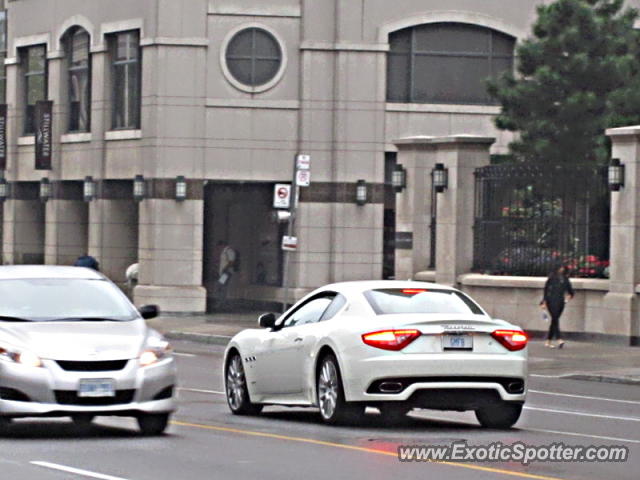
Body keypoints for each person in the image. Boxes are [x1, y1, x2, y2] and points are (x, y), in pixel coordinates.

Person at [540, 265, 574, 348]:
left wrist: (567, 298)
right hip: (550, 300)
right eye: (560, 267)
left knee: (554, 320)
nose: (561, 269)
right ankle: (559, 339)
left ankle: (548, 341)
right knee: (555, 318)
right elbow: (546, 290)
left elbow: (571, 292)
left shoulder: (566, 279)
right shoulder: (551, 278)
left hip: (560, 301)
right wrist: (543, 301)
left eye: (563, 267)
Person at [214, 240, 237, 310]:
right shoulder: (224, 252)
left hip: (226, 272)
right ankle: (222, 302)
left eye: (219, 246)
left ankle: (221, 302)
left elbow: (231, 262)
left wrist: (225, 269)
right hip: (224, 272)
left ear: (222, 245)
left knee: (219, 286)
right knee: (222, 287)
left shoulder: (229, 251)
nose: (218, 248)